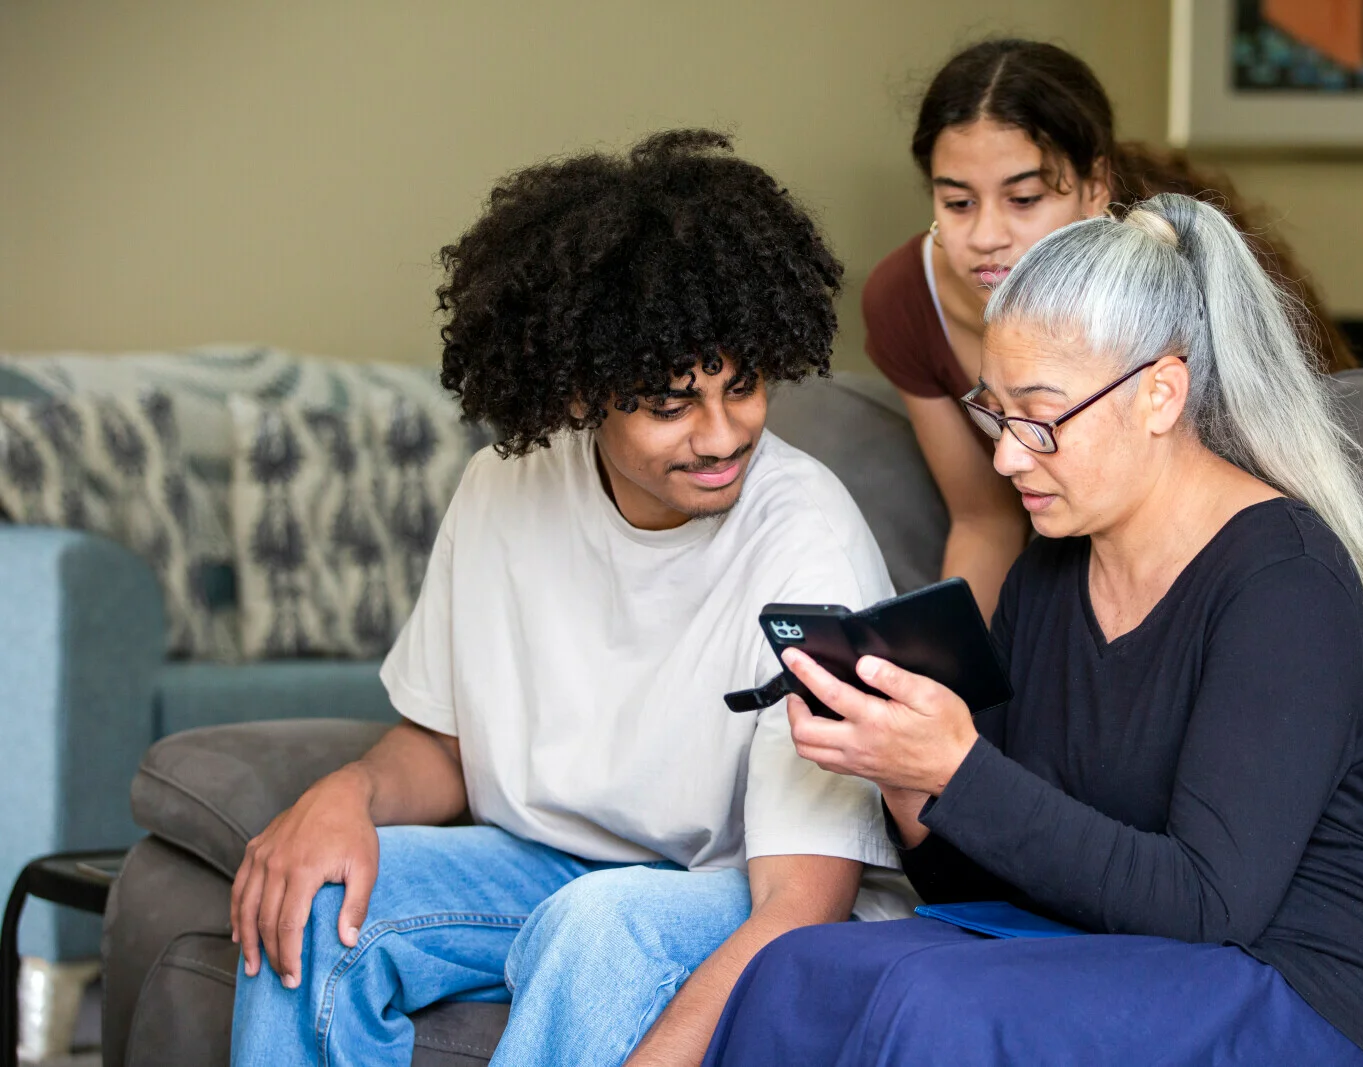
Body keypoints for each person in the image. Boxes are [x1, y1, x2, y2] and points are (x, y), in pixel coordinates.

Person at [703, 194, 1363, 1067]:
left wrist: (959, 768)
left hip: (1310, 987)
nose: (1006, 457)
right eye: (995, 413)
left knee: (941, 1004)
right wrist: (907, 779)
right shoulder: (1050, 569)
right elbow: (984, 876)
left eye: (1039, 417)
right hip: (1109, 945)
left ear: (1159, 393)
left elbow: (1208, 903)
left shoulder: (1284, 578)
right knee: (796, 972)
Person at [227, 130, 912, 1067]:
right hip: (545, 868)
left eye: (743, 385)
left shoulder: (810, 540)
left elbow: (807, 898)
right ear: (586, 392)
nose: (722, 435)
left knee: (602, 922)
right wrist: (343, 793)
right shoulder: (500, 493)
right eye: (672, 403)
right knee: (310, 898)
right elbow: (444, 744)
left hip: (743, 886)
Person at [865, 39, 1356, 621]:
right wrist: (938, 676)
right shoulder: (905, 298)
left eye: (1023, 198)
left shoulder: (1180, 273)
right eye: (958, 202)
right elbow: (984, 517)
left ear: (1096, 188)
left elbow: (1272, 487)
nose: (986, 236)